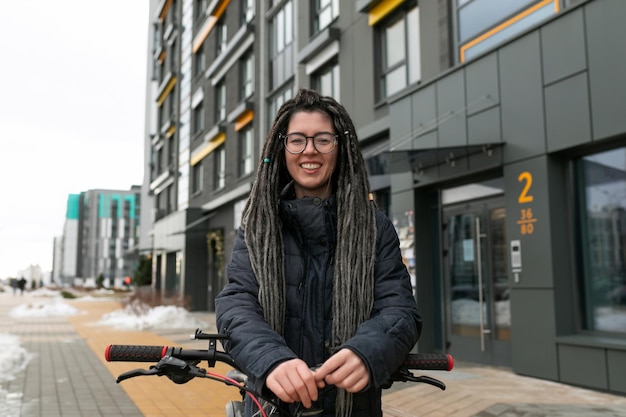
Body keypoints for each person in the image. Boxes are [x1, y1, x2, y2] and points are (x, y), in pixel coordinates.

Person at [215, 89, 421, 417]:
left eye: (323, 139)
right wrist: (271, 360)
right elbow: (236, 305)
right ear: (282, 148)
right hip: (271, 409)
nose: (309, 150)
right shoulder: (258, 228)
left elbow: (400, 310)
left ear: (340, 148)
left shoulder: (375, 229)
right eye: (297, 140)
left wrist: (367, 352)